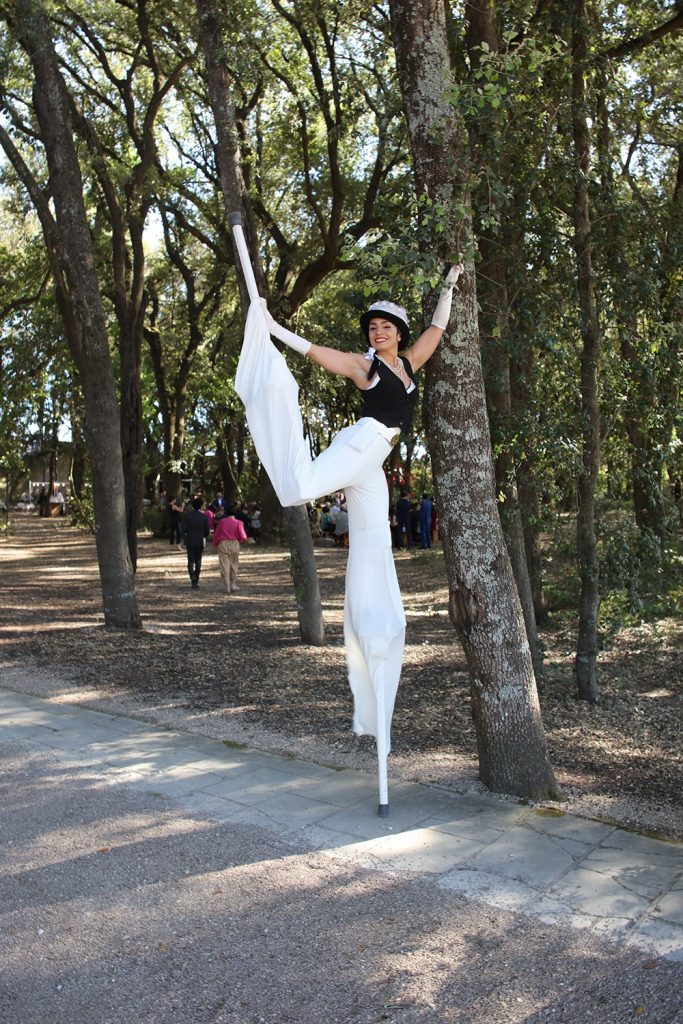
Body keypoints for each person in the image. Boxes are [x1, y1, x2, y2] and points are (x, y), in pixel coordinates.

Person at [235, 258, 463, 791]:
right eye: (372, 328)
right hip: (361, 443)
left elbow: (438, 328)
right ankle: (270, 394)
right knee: (295, 488)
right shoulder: (367, 367)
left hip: (373, 465)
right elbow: (320, 355)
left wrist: (448, 284)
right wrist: (272, 330)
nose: (377, 333)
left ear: (397, 332)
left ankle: (376, 640)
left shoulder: (409, 362)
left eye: (385, 327)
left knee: (374, 546)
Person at [212, 502, 248, 593]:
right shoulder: (239, 523)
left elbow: (217, 534)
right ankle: (233, 584)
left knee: (224, 565)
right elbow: (243, 536)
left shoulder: (222, 522)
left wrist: (215, 543)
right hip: (234, 543)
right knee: (234, 564)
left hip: (223, 544)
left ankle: (226, 585)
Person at [183, 497, 210, 589]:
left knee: (190, 560)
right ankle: (196, 578)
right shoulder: (205, 517)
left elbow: (184, 529)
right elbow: (207, 531)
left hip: (190, 540)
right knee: (198, 560)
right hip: (200, 540)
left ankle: (192, 577)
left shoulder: (188, 516)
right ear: (201, 506)